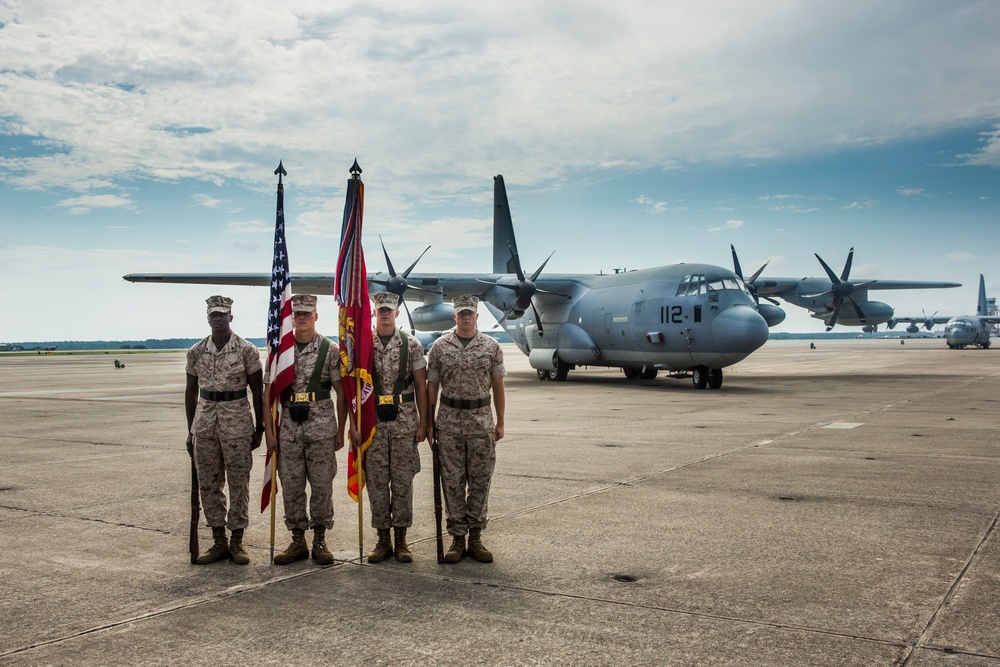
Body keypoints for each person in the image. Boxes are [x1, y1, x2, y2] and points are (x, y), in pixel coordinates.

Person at [263, 294, 349, 566]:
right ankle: (298, 540)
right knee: (291, 486)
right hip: (288, 429)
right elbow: (268, 396)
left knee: (322, 486)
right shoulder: (280, 352)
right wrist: (269, 432)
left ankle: (320, 539)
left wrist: (341, 430)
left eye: (306, 313)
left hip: (321, 429)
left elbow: (342, 393)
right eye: (297, 313)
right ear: (290, 317)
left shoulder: (330, 349)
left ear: (315, 316)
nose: (301, 318)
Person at [185, 295, 265, 565]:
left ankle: (237, 541)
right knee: (209, 483)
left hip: (238, 424)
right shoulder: (196, 351)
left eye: (222, 314)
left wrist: (260, 427)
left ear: (231, 317)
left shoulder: (246, 350)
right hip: (206, 425)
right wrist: (190, 430)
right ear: (208, 318)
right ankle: (219, 540)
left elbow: (257, 390)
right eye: (213, 314)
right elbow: (191, 391)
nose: (217, 318)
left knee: (238, 483)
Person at [426, 294, 506, 563]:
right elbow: (432, 387)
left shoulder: (491, 346)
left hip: (481, 421)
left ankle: (475, 536)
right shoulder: (439, 347)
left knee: (480, 481)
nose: (465, 317)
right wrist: (428, 422)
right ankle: (457, 538)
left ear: (476, 316)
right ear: (454, 316)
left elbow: (498, 386)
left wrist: (501, 421)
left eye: (469, 313)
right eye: (461, 313)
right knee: (452, 482)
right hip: (448, 423)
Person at [366, 292, 429, 563]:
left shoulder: (412, 345)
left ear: (397, 313)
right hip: (374, 426)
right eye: (380, 309)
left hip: (404, 424)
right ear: (374, 313)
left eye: (389, 310)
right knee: (377, 483)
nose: (385, 314)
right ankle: (382, 540)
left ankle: (402, 540)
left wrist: (424, 422)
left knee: (402, 483)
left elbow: (421, 387)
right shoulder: (362, 345)